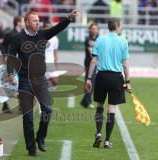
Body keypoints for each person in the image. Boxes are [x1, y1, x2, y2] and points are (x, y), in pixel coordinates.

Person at [7, 10, 78, 156]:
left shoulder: (42, 35)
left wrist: (69, 18)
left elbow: (57, 28)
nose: (38, 23)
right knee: (27, 117)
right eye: (34, 21)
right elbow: (10, 57)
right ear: (27, 22)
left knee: (48, 110)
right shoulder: (17, 38)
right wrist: (10, 74)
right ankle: (31, 148)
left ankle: (40, 137)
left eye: (38, 20)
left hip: (40, 80)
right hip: (25, 81)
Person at [85, 17, 131, 149]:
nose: (121, 27)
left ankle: (98, 133)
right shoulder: (123, 41)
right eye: (121, 25)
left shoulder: (100, 39)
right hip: (116, 78)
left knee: (100, 105)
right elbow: (125, 64)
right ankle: (106, 141)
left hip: (101, 76)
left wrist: (88, 79)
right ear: (116, 26)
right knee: (112, 108)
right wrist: (127, 81)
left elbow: (93, 61)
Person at [2, 16, 24, 113]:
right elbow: (3, 45)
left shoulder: (23, 34)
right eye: (23, 21)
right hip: (11, 62)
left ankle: (21, 106)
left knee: (21, 84)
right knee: (7, 84)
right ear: (18, 22)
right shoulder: (9, 34)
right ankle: (5, 106)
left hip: (20, 62)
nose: (24, 23)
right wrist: (5, 56)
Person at [80, 23, 99, 109]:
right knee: (90, 82)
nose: (94, 30)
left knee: (93, 83)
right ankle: (87, 102)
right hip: (89, 63)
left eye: (96, 29)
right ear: (90, 30)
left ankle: (85, 101)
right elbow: (92, 53)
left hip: (96, 63)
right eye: (93, 28)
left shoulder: (99, 39)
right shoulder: (88, 39)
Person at [43, 21, 59, 88]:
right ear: (43, 28)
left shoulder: (55, 39)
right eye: (46, 27)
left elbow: (55, 53)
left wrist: (55, 63)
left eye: (49, 27)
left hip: (50, 63)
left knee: (55, 82)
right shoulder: (39, 37)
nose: (48, 28)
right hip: (42, 63)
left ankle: (45, 91)